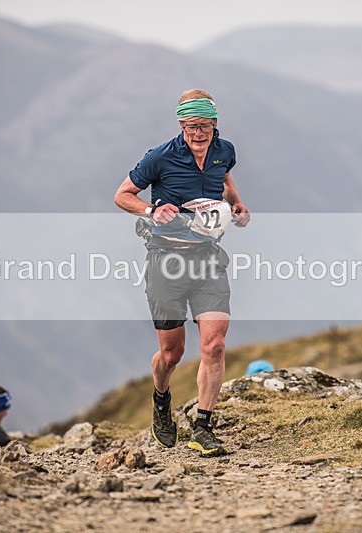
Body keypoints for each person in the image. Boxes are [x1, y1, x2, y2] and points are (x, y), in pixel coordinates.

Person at [114, 89, 250, 456]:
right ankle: (161, 399)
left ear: (215, 124)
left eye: (204, 126)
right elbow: (122, 194)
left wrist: (236, 203)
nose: (198, 133)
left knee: (215, 344)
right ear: (181, 125)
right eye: (191, 126)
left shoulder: (225, 150)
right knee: (171, 354)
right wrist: (150, 211)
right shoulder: (160, 156)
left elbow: (225, 178)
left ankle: (203, 425)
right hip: (166, 261)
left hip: (208, 258)